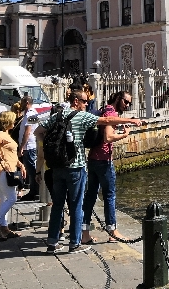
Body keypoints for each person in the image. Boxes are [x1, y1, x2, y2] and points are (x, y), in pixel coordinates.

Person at [34, 87, 131, 253]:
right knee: (76, 204)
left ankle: (52, 242)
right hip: (76, 166)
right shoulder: (81, 116)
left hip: (57, 167)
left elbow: (38, 132)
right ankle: (75, 243)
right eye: (85, 101)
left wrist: (54, 147)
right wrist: (132, 122)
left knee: (57, 205)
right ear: (76, 101)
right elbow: (106, 121)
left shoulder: (57, 115)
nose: (88, 104)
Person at [80, 92, 143, 245]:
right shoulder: (111, 112)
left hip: (93, 159)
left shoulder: (104, 109)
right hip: (104, 160)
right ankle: (112, 231)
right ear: (117, 99)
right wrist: (124, 134)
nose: (126, 105)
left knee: (90, 196)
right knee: (109, 195)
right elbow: (108, 137)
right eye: (125, 102)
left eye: (129, 103)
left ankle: (84, 233)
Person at [0, 111, 26, 241]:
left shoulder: (5, 134)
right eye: (13, 120)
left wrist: (20, 164)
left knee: (4, 199)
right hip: (3, 170)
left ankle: (5, 229)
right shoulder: (2, 134)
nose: (15, 122)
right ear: (7, 122)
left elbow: (11, 154)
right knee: (12, 198)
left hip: (7, 169)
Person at [18, 95, 40, 201]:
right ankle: (34, 190)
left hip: (29, 145)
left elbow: (28, 131)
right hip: (30, 144)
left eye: (22, 102)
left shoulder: (31, 114)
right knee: (31, 170)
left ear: (27, 103)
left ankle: (34, 192)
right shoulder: (32, 113)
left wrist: (22, 146)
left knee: (32, 170)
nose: (20, 104)